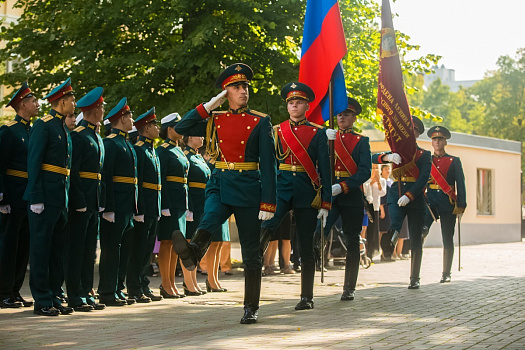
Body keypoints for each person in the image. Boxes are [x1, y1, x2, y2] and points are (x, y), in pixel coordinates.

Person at [172, 63, 277, 324]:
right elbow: (182, 128)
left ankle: (251, 307)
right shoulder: (215, 117)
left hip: (249, 186)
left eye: (245, 87)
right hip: (219, 181)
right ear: (226, 91)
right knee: (209, 220)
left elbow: (269, 165)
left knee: (252, 253)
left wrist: (268, 202)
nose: (243, 91)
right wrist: (207, 106)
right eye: (237, 87)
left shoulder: (260, 121)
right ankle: (194, 252)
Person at [261, 82, 331, 310]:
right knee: (266, 228)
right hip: (282, 188)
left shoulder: (317, 133)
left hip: (306, 190)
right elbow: (270, 164)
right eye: (291, 103)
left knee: (305, 245)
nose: (294, 106)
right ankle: (256, 266)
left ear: (306, 106)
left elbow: (326, 170)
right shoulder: (277, 130)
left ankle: (306, 297)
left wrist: (326, 203)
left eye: (298, 102)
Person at [24, 78, 75, 316]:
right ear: (61, 102)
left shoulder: (62, 128)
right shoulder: (43, 126)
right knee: (41, 249)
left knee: (57, 251)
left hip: (59, 197)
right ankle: (42, 298)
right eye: (71, 99)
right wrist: (35, 196)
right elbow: (34, 162)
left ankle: (55, 294)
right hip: (44, 196)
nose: (74, 103)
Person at [373, 116, 431, 289]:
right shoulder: (395, 151)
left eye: (413, 131)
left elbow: (423, 179)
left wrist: (410, 195)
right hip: (395, 193)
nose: (410, 135)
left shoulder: (424, 155)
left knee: (415, 239)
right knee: (395, 222)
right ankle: (389, 242)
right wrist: (388, 157)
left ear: (418, 134)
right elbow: (373, 157)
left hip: (415, 198)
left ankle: (415, 277)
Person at [324, 97, 372, 300]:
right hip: (329, 195)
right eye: (339, 114)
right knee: (319, 231)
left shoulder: (361, 141)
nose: (342, 117)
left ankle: (349, 287)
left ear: (353, 118)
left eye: (346, 114)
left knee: (352, 240)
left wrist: (342, 186)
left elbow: (365, 172)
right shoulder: (328, 137)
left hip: (350, 195)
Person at [66, 87, 106, 312]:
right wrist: (79, 200)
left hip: (93, 199)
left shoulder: (94, 136)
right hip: (81, 201)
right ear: (94, 109)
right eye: (101, 107)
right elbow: (74, 171)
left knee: (90, 250)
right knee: (76, 249)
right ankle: (74, 294)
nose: (102, 111)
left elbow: (100, 174)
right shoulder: (79, 135)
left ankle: (86, 291)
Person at [0, 82, 39, 309]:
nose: (37, 104)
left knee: (23, 244)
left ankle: (14, 290)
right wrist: (3, 197)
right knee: (8, 244)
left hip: (28, 195)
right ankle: (3, 291)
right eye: (33, 101)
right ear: (22, 104)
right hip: (12, 197)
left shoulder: (31, 130)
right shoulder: (8, 130)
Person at [98, 97, 138, 306]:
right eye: (130, 115)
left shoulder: (126, 143)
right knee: (112, 249)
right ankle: (106, 291)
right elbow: (107, 177)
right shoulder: (111, 143)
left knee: (123, 250)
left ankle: (118, 288)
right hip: (116, 206)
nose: (132, 119)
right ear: (122, 118)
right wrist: (109, 208)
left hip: (128, 206)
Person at [126, 107, 163, 303]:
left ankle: (142, 284)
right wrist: (138, 209)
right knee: (138, 249)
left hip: (152, 205)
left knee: (147, 249)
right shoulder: (139, 150)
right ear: (146, 127)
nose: (158, 128)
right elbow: (138, 183)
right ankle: (134, 286)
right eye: (154, 125)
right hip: (144, 206)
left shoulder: (151, 149)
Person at [423, 126, 466, 283]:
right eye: (434, 139)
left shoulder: (454, 161)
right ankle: (416, 273)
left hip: (447, 202)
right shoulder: (427, 160)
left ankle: (446, 273)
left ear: (445, 141)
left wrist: (461, 204)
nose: (437, 142)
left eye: (440, 139)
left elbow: (460, 183)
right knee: (421, 230)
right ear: (431, 142)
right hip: (430, 200)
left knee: (447, 238)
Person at [184, 135, 227, 293]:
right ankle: (190, 281)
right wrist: (188, 206)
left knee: (215, 243)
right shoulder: (186, 157)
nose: (202, 138)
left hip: (208, 202)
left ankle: (212, 280)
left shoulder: (199, 157)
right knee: (192, 242)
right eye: (198, 135)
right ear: (188, 138)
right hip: (195, 205)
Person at [156, 113, 189, 298]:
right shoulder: (163, 151)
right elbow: (163, 181)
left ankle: (172, 284)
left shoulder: (177, 150)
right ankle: (165, 283)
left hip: (180, 203)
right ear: (169, 129)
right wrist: (164, 205)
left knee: (177, 244)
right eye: (178, 126)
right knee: (167, 243)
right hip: (170, 203)